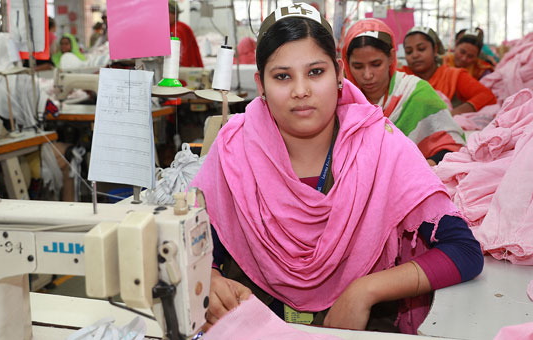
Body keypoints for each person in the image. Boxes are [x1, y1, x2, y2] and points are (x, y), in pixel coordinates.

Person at [192, 3, 483, 335]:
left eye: (316, 72)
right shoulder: (234, 149)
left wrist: (365, 291)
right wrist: (210, 278)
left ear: (340, 73)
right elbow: (195, 243)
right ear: (261, 84)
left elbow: (463, 251)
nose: (301, 90)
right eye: (282, 76)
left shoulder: (380, 146)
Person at [343, 19, 467, 165]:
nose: (367, 75)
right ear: (346, 64)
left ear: (391, 57)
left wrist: (419, 168)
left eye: (376, 64)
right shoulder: (344, 100)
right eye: (357, 66)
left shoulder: (416, 93)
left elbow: (453, 146)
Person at [402, 26, 496, 115]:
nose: (415, 55)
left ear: (435, 50)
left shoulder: (453, 75)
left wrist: (451, 115)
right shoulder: (400, 76)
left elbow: (487, 96)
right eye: (409, 51)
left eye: (421, 49)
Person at [168, 0, 203, 67]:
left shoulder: (177, 29)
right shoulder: (182, 26)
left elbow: (178, 56)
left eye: (167, 13)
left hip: (183, 69)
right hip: (188, 68)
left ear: (174, 14)